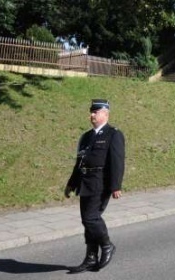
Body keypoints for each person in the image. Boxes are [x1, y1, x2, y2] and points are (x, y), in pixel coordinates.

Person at [64, 99, 126, 273]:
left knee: (91, 218)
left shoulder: (113, 134)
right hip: (85, 182)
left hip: (101, 182)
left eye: (96, 112)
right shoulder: (86, 137)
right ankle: (91, 258)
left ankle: (107, 245)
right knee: (87, 221)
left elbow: (117, 161)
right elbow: (80, 162)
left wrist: (115, 186)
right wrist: (71, 183)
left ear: (105, 114)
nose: (92, 115)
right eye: (91, 111)